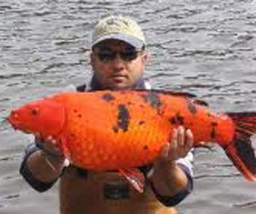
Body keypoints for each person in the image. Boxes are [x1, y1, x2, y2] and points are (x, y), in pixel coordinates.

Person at [20, 15, 194, 214]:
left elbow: (174, 194)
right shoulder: (62, 106)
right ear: (92, 60)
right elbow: (37, 179)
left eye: (129, 54)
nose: (118, 64)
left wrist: (166, 163)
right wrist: (52, 154)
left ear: (144, 59)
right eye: (106, 55)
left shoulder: (171, 111)